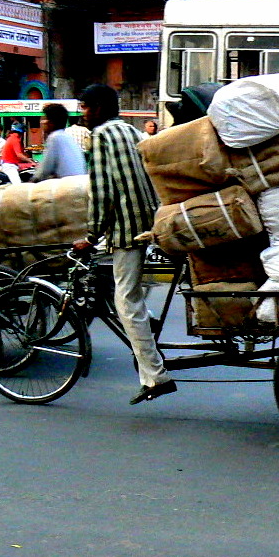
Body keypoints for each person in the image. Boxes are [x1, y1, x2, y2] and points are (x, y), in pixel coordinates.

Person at [72, 83, 175, 406]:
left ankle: (155, 376)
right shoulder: (131, 132)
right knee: (123, 290)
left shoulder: (101, 137)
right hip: (146, 221)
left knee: (126, 302)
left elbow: (102, 192)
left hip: (127, 229)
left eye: (86, 108)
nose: (83, 115)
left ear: (100, 107)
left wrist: (91, 237)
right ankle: (150, 323)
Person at [31, 102, 88, 182]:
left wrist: (31, 182)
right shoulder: (67, 137)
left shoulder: (54, 138)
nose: (42, 122)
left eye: (44, 118)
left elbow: (44, 170)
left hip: (67, 187)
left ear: (50, 122)